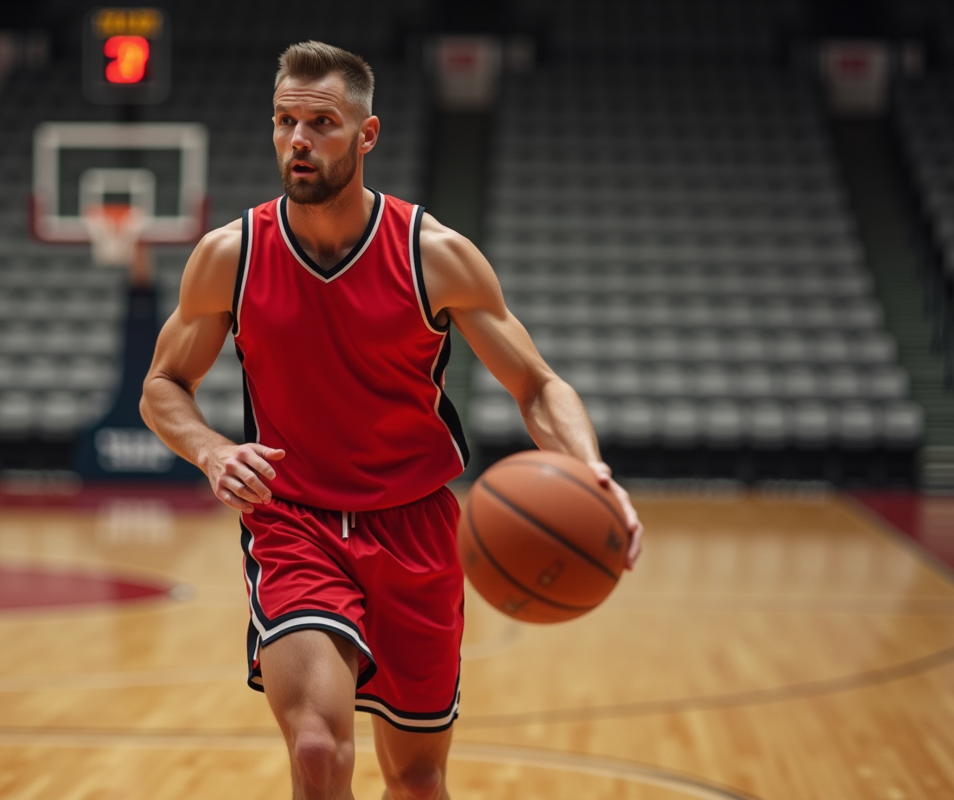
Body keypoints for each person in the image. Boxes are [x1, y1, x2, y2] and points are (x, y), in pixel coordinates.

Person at [140, 40, 643, 800]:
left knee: (416, 780)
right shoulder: (230, 256)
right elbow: (162, 386)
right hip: (294, 523)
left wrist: (590, 470)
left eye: (321, 122)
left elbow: (537, 387)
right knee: (316, 749)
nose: (298, 140)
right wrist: (211, 451)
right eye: (284, 121)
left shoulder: (433, 255)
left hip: (415, 529)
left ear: (366, 135)